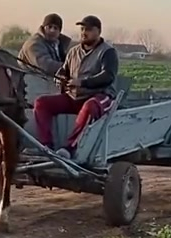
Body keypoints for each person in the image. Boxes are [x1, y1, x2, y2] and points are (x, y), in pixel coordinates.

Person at [33, 16, 119, 154]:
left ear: (99, 31)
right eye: (83, 29)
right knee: (41, 103)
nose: (84, 32)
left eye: (89, 29)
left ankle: (70, 148)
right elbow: (64, 71)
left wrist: (83, 82)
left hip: (100, 96)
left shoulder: (107, 52)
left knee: (90, 106)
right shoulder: (73, 52)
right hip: (74, 97)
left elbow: (108, 76)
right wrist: (60, 77)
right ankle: (46, 146)